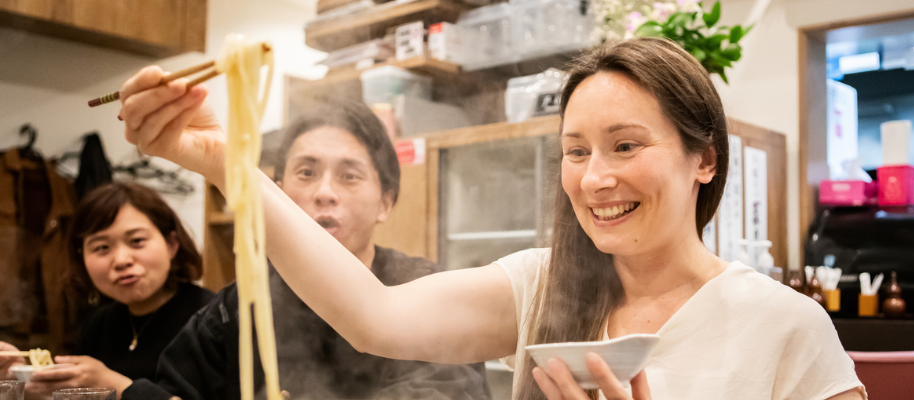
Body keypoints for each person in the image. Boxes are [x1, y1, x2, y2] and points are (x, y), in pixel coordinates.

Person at [118, 37, 866, 400]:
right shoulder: (541, 286)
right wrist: (226, 166)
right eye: (575, 151)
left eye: (626, 146)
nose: (594, 178)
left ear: (704, 159)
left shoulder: (785, 327)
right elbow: (371, 316)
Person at [120, 101, 492, 400]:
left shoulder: (426, 292)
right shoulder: (238, 307)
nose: (324, 193)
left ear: (385, 203)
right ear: (276, 194)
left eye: (349, 176)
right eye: (306, 173)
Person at [0, 182, 213, 399]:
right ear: (82, 257)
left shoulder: (211, 319)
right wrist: (20, 379)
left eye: (137, 241)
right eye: (102, 247)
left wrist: (112, 385)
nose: (121, 260)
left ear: (172, 245)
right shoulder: (99, 324)